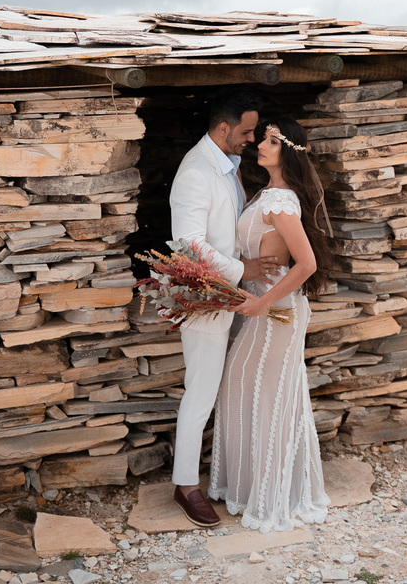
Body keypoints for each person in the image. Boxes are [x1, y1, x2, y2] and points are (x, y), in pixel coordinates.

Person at [209, 118, 333, 533]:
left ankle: (273, 494)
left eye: (272, 141)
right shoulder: (267, 194)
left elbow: (308, 264)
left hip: (278, 312)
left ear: (290, 151)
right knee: (248, 389)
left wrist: (262, 301)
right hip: (262, 308)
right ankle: (250, 489)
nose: (261, 144)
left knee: (270, 395)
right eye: (263, 137)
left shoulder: (281, 201)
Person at [168, 89, 280, 528]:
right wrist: (244, 266)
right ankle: (185, 486)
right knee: (200, 393)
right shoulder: (196, 172)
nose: (251, 139)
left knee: (229, 388)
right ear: (222, 128)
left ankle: (228, 476)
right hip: (206, 301)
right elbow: (188, 246)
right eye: (246, 132)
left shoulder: (227, 164)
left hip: (235, 295)